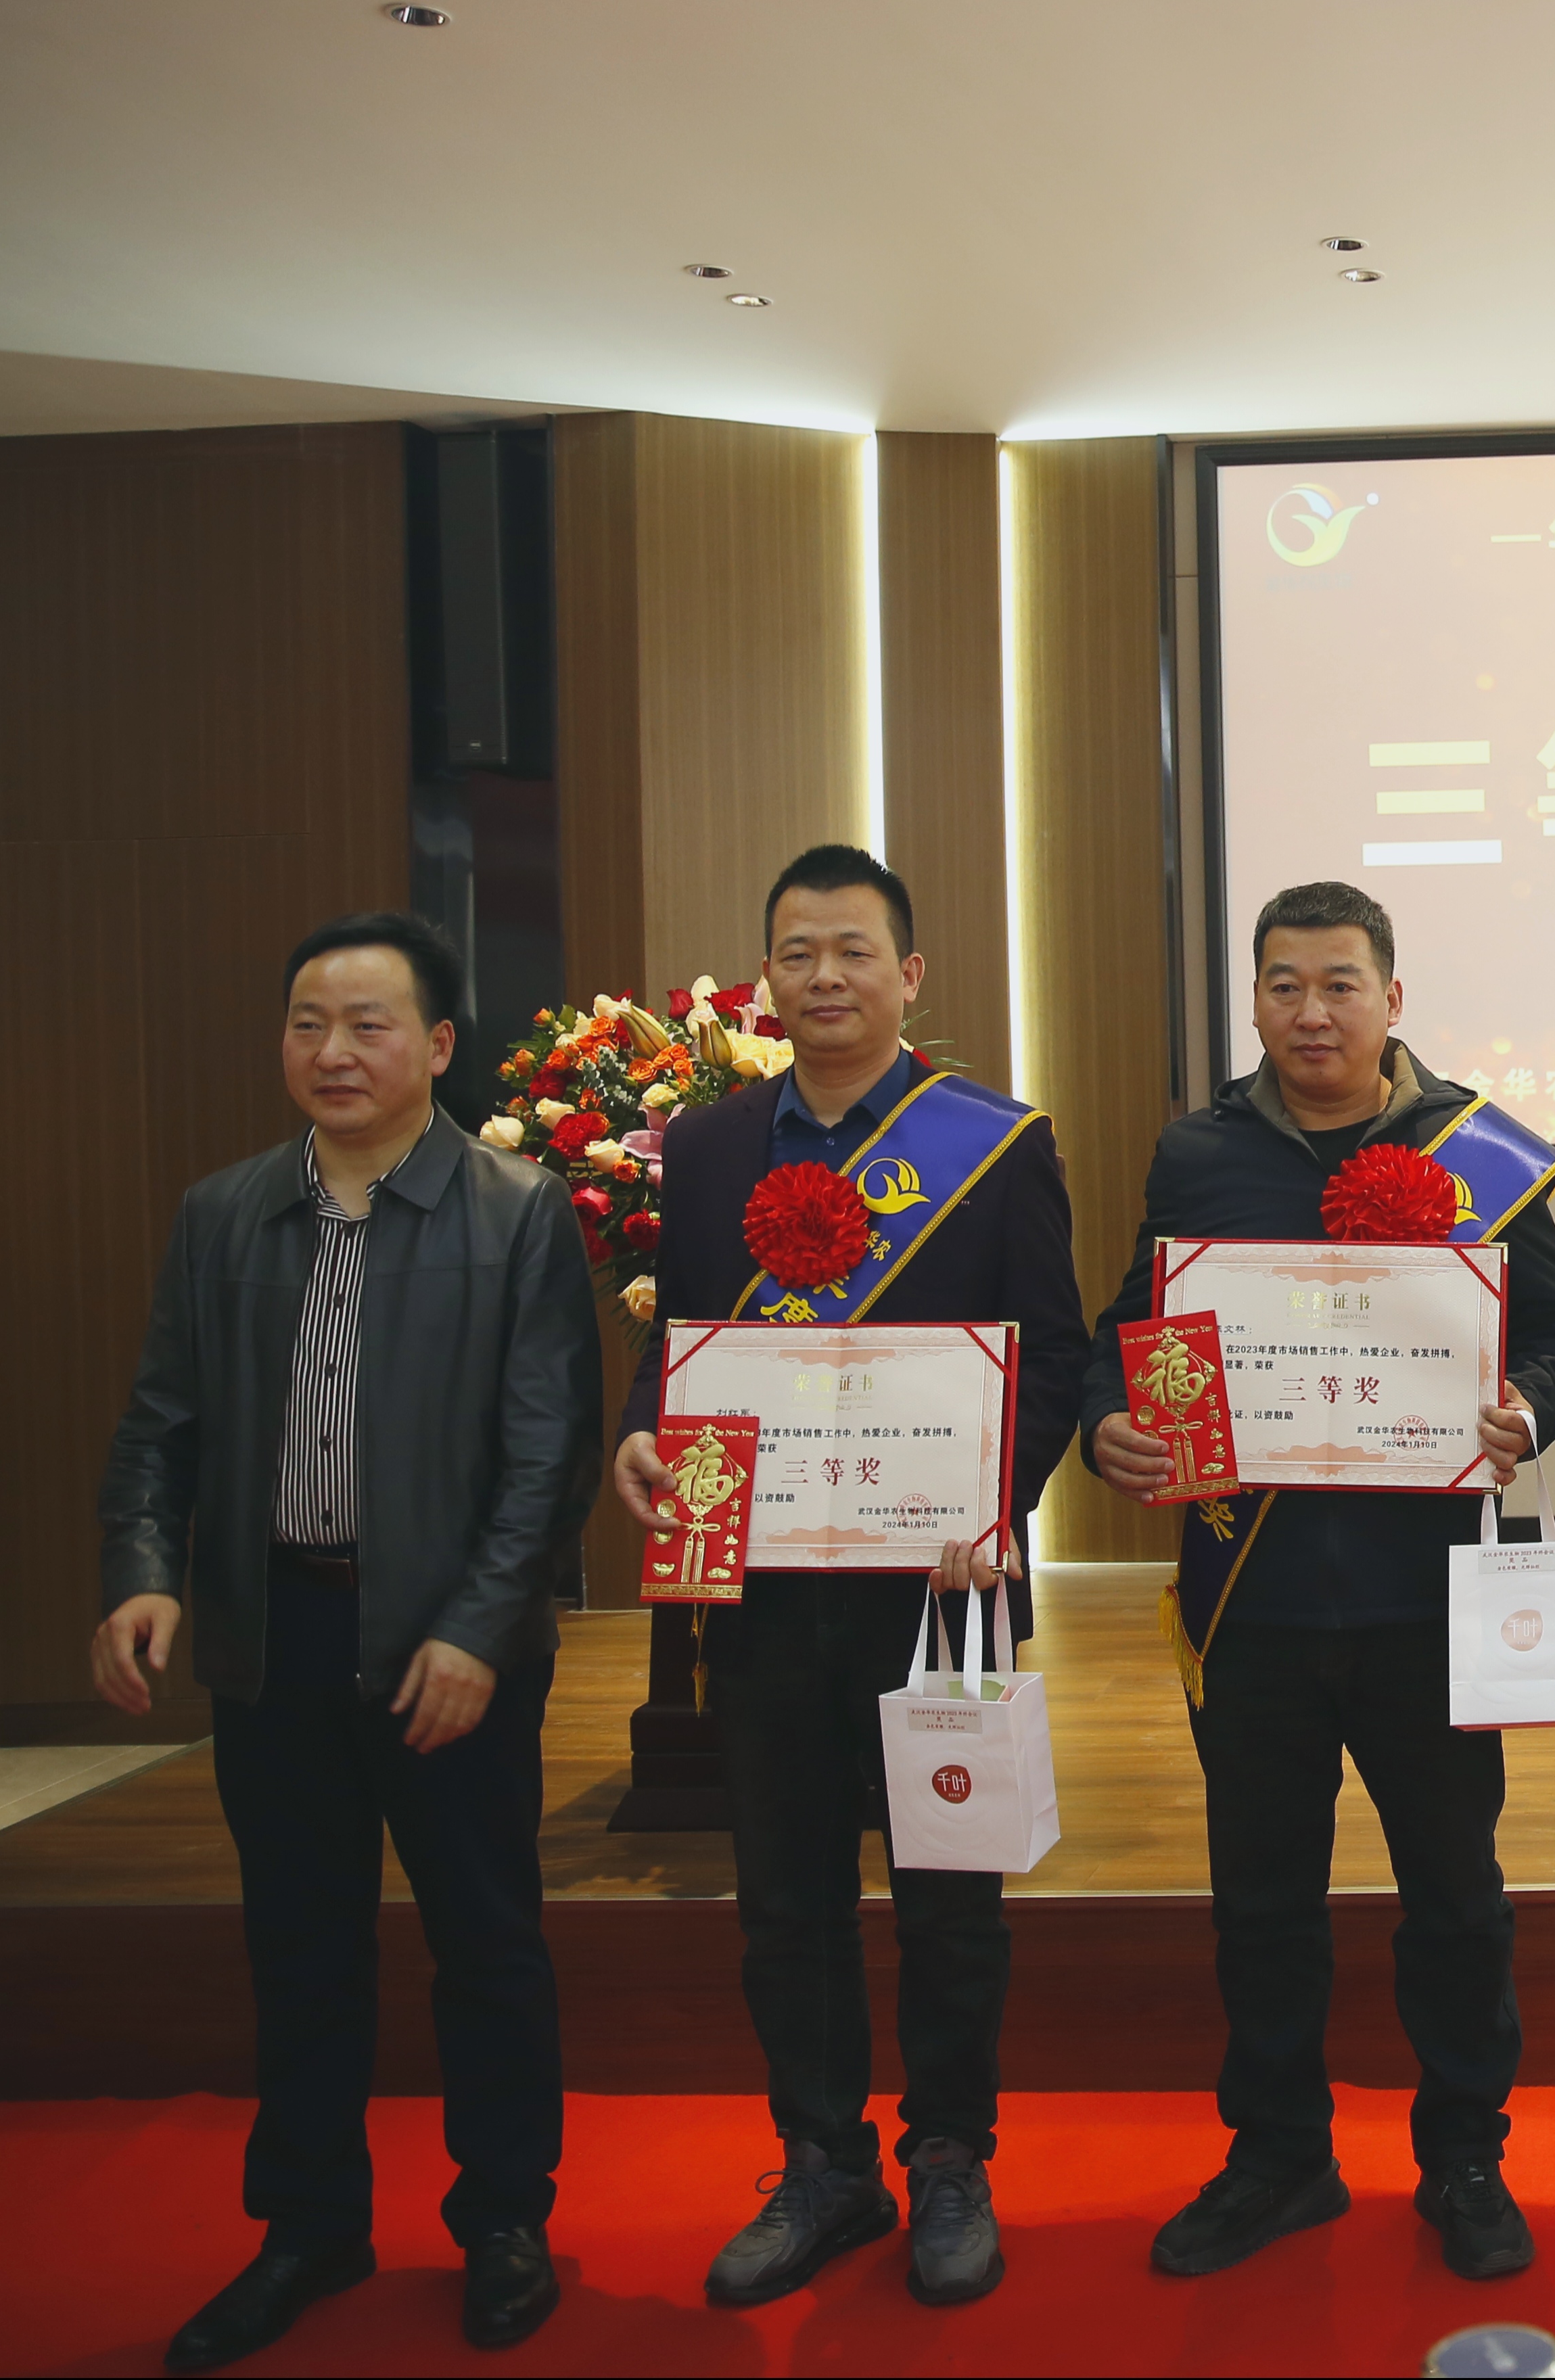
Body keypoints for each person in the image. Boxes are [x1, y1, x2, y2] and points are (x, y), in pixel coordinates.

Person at [93, 913, 603, 2373]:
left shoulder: (517, 1211)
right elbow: (160, 1425)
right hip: (277, 1636)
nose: (333, 1050)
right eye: (309, 1021)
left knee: (486, 1941)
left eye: (369, 1023)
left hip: (452, 1646)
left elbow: (549, 1456)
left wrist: (480, 1630)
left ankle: (504, 2216)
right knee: (300, 1945)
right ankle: (309, 2226)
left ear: (436, 1046)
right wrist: (143, 1573)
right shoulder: (222, 1213)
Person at [1083, 879, 1555, 2282]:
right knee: (1261, 1903)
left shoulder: (1480, 1151)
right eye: (1284, 985)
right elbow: (1132, 1327)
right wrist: (1111, 1419)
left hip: (1427, 1598)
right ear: (1253, 1001)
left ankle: (1465, 2155)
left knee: (1457, 1898)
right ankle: (1279, 2157)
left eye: (1340, 984)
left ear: (1393, 999)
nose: (1312, 1011)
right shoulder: (1199, 1155)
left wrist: (1528, 1408)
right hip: (1253, 1595)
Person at [607, 844, 1090, 2311]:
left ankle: (950, 2154)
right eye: (799, 952)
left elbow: (1055, 1353)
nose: (825, 976)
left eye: (854, 951)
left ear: (910, 975)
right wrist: (641, 1431)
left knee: (950, 1892)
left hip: (940, 1588)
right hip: (762, 1584)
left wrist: (996, 1500)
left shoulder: (995, 1145)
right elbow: (682, 1337)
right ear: (768, 976)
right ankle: (823, 2159)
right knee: (785, 1891)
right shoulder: (708, 1147)